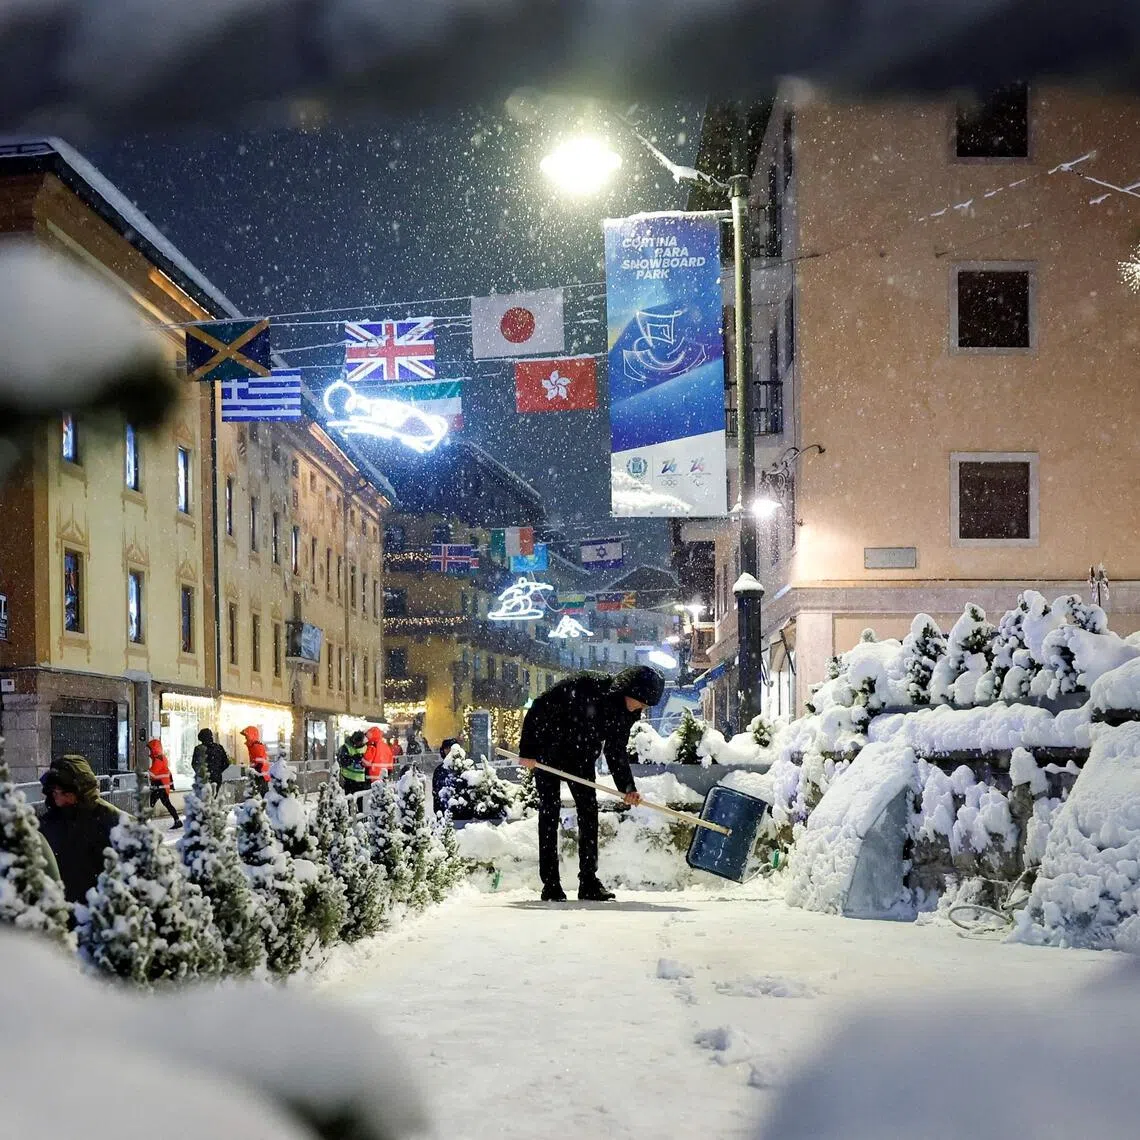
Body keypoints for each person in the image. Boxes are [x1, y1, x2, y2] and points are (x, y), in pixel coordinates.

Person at [518, 665, 665, 902]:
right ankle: (551, 884)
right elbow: (538, 708)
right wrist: (527, 751)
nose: (642, 708)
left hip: (581, 758)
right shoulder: (585, 684)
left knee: (589, 812)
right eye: (641, 702)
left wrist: (627, 788)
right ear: (629, 690)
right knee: (549, 814)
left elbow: (616, 751)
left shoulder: (627, 713)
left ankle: (588, 881)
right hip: (548, 753)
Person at [37, 754, 122, 905]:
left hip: (96, 911)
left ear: (79, 792)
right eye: (54, 792)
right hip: (59, 908)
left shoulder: (111, 820)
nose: (58, 797)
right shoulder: (46, 823)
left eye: (64, 792)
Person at [146, 738, 182, 829]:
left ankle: (145, 823)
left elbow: (153, 772)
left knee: (150, 802)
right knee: (166, 803)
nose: (149, 751)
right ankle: (177, 820)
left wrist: (145, 774)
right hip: (163, 785)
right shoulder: (161, 757)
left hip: (160, 786)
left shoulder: (158, 759)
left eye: (150, 749)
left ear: (154, 749)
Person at [192, 728, 229, 794]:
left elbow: (194, 764)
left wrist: (201, 773)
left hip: (203, 778)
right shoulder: (219, 747)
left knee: (204, 799)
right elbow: (226, 763)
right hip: (217, 777)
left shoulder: (199, 748)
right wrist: (218, 771)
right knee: (214, 797)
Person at [338, 730, 368, 802]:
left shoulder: (365, 747)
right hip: (348, 778)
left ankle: (359, 812)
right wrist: (353, 758)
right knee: (349, 799)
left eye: (360, 742)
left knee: (359, 800)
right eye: (357, 742)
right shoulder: (346, 747)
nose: (359, 744)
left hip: (361, 779)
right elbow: (343, 761)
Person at [240, 726, 270, 795]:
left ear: (251, 735)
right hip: (260, 774)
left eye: (246, 735)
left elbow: (260, 759)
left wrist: (257, 771)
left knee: (261, 795)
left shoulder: (256, 746)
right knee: (260, 794)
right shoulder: (253, 745)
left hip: (261, 775)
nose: (245, 738)